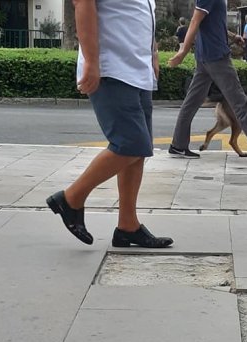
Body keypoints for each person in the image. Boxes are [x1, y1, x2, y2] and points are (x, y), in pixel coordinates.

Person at [46, 0, 173, 250]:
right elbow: (83, 4)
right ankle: (71, 198)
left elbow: (141, 11)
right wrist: (92, 61)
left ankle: (128, 226)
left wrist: (153, 53)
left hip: (137, 68)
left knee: (138, 152)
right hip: (111, 68)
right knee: (131, 144)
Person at [167, 0, 247, 160]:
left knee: (192, 102)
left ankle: (178, 146)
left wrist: (233, 36)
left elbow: (213, 23)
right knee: (239, 101)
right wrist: (183, 52)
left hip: (205, 57)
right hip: (217, 57)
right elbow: (195, 21)